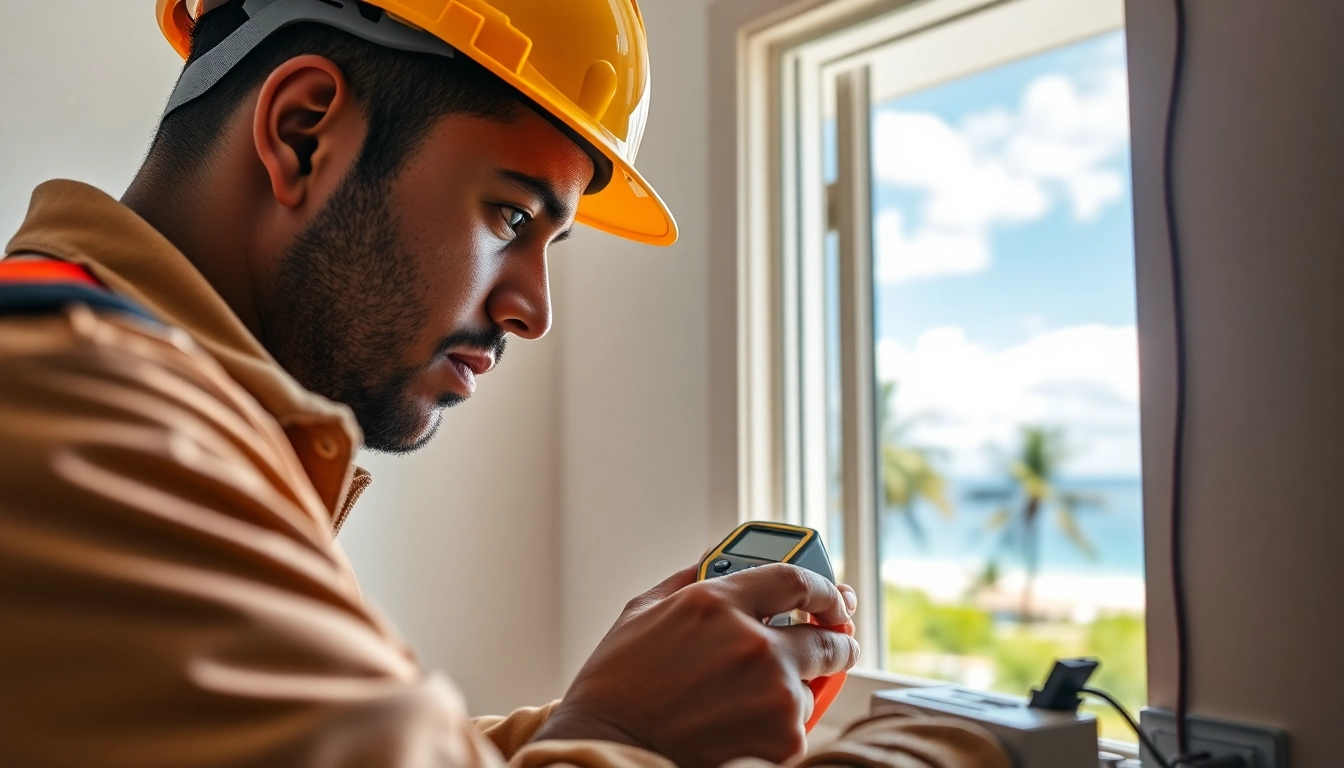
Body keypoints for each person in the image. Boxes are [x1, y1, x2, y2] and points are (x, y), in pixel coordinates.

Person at [0, 1, 1010, 766]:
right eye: (511, 218)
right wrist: (974, 748)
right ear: (305, 131)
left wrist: (623, 714)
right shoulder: (75, 405)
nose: (533, 308)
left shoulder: (125, 388)